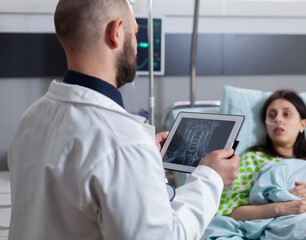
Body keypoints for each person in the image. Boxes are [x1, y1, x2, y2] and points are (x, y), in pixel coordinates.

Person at [7, 0, 240, 239]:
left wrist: (146, 159)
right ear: (116, 32)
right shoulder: (122, 140)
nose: (137, 47)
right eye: (135, 34)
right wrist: (211, 178)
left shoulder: (31, 117)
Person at [217, 90, 306, 221]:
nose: (278, 119)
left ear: (302, 124)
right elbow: (230, 213)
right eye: (271, 115)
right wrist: (284, 208)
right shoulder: (253, 159)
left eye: (286, 114)